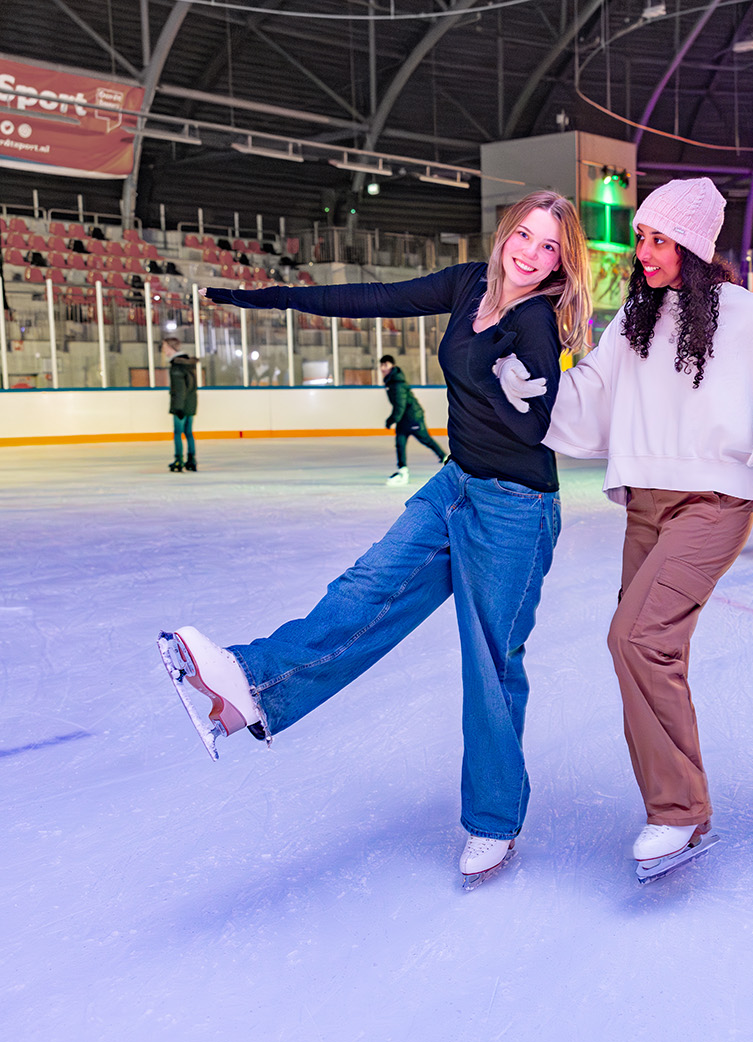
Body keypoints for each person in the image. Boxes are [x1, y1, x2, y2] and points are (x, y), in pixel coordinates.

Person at [156, 190, 592, 888]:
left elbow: (534, 428)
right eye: (526, 236)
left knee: (488, 664)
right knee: (368, 586)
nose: (531, 254)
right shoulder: (469, 282)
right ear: (507, 231)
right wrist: (279, 298)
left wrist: (524, 394)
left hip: (514, 507)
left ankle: (494, 819)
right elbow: (376, 296)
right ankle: (252, 688)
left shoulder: (538, 321)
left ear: (560, 263)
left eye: (549, 248)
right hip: (457, 483)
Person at [494, 178, 753, 879]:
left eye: (658, 239)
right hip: (645, 504)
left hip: (715, 502)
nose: (644, 253)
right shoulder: (633, 318)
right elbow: (592, 393)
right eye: (641, 238)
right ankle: (684, 809)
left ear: (692, 244)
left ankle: (678, 810)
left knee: (635, 635)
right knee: (653, 652)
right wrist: (532, 392)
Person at [380, 353, 447, 486]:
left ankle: (446, 459)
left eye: (386, 365)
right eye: (381, 365)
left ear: (392, 366)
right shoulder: (392, 381)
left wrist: (391, 420)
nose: (383, 368)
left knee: (426, 440)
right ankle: (403, 471)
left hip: (413, 418)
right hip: (404, 419)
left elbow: (400, 405)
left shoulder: (397, 383)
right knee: (400, 443)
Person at [164, 337, 199, 472]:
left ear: (170, 347)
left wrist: (178, 408)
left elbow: (179, 389)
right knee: (189, 432)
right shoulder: (188, 365)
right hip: (190, 403)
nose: (163, 350)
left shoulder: (177, 366)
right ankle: (191, 459)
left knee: (178, 433)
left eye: (165, 346)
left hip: (181, 405)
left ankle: (179, 460)